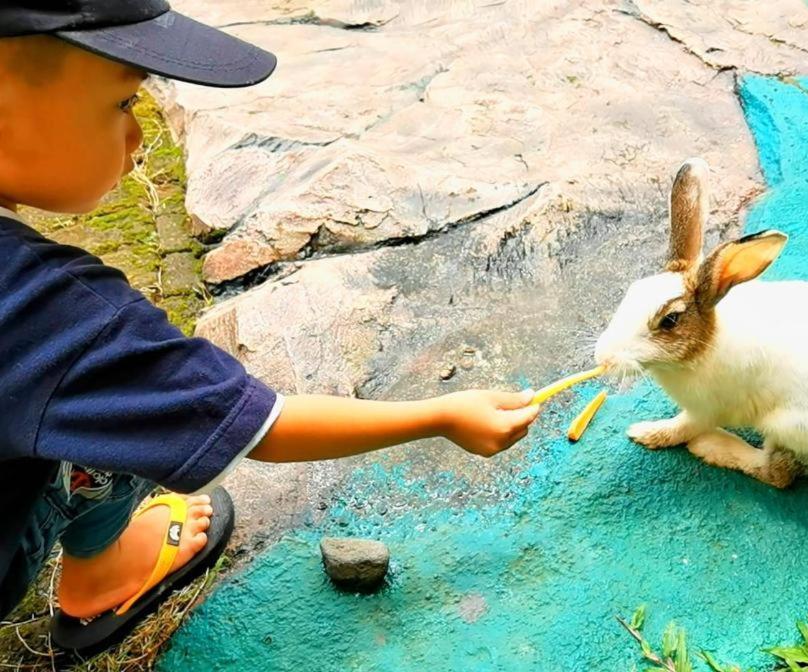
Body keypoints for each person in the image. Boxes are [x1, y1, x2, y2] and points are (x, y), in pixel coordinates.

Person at [0, 0, 540, 655]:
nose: (139, 136)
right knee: (126, 397)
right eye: (121, 103)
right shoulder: (54, 314)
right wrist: (442, 416)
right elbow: (257, 424)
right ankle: (103, 574)